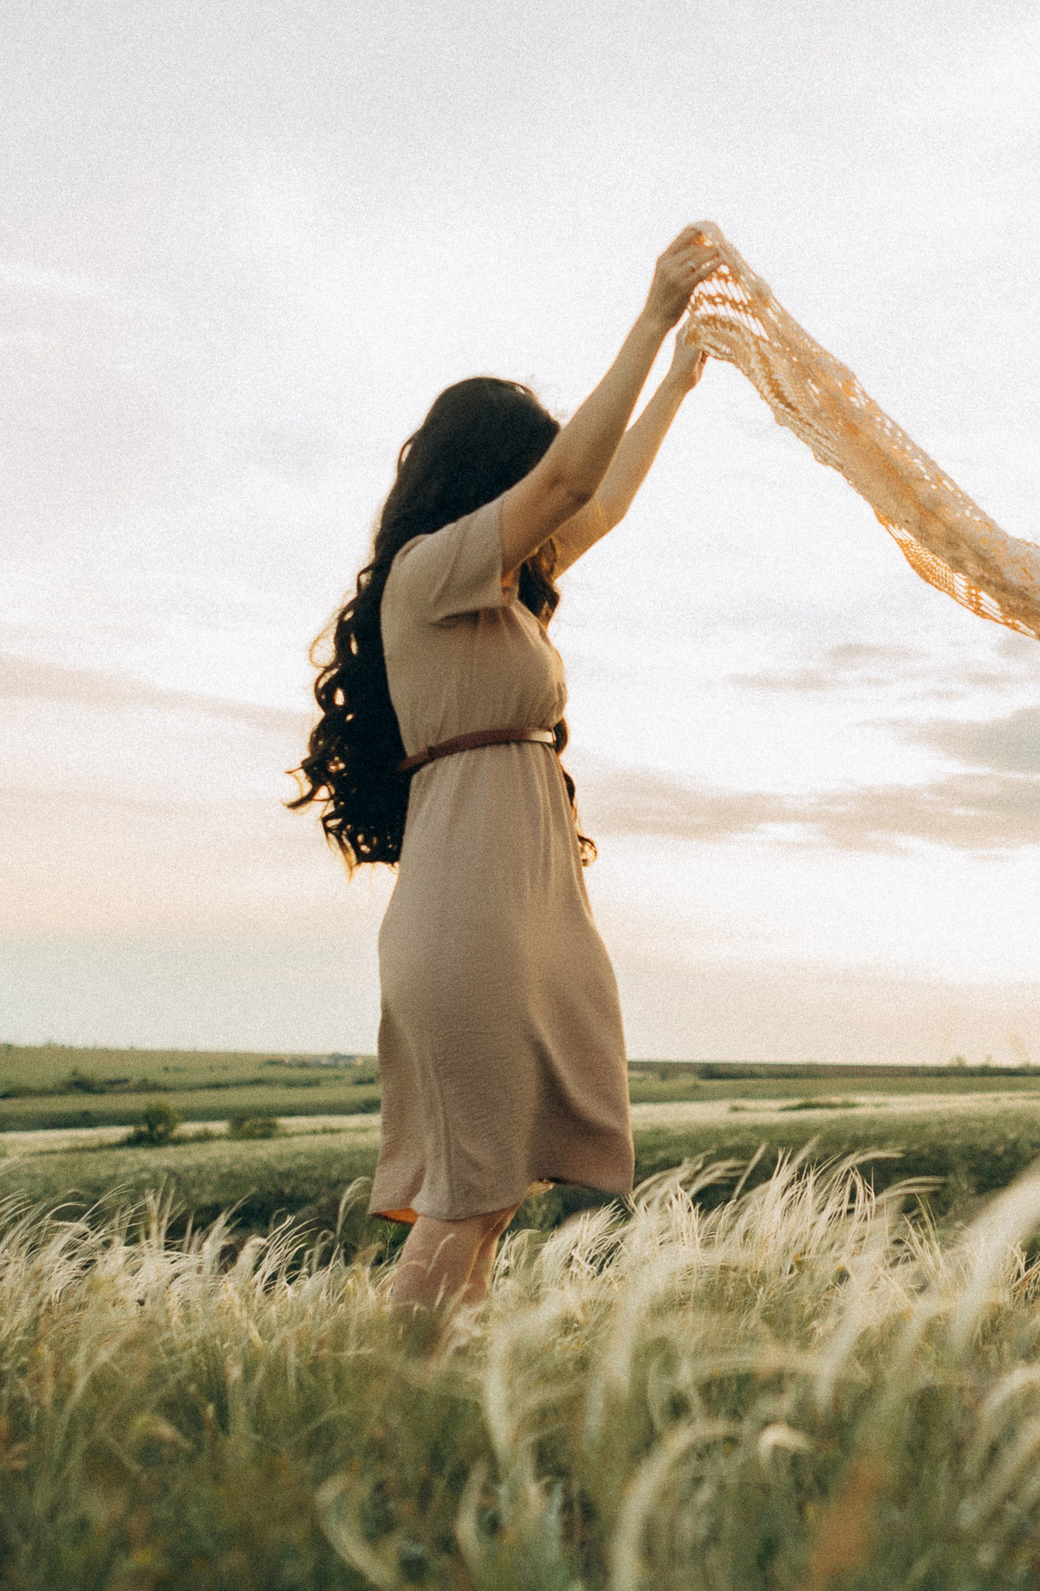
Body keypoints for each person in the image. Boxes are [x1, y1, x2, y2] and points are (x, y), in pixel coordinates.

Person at [289, 224, 725, 1325]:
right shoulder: (429, 573)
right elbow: (574, 473)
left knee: (492, 1201)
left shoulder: (500, 585)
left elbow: (601, 499)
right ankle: (398, 1394)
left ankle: (443, 1391)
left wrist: (677, 382)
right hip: (472, 915)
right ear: (490, 473)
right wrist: (653, 314)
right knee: (469, 1195)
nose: (546, 486)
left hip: (516, 908)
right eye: (525, 470)